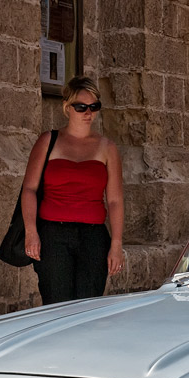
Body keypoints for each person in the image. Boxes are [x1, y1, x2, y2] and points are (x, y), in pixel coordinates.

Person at [21, 76, 125, 304]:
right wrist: (31, 232)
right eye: (81, 107)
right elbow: (29, 189)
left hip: (93, 236)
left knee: (88, 305)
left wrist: (116, 245)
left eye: (94, 107)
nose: (88, 112)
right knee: (55, 302)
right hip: (53, 235)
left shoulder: (107, 147)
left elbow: (115, 200)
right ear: (67, 108)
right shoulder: (48, 141)